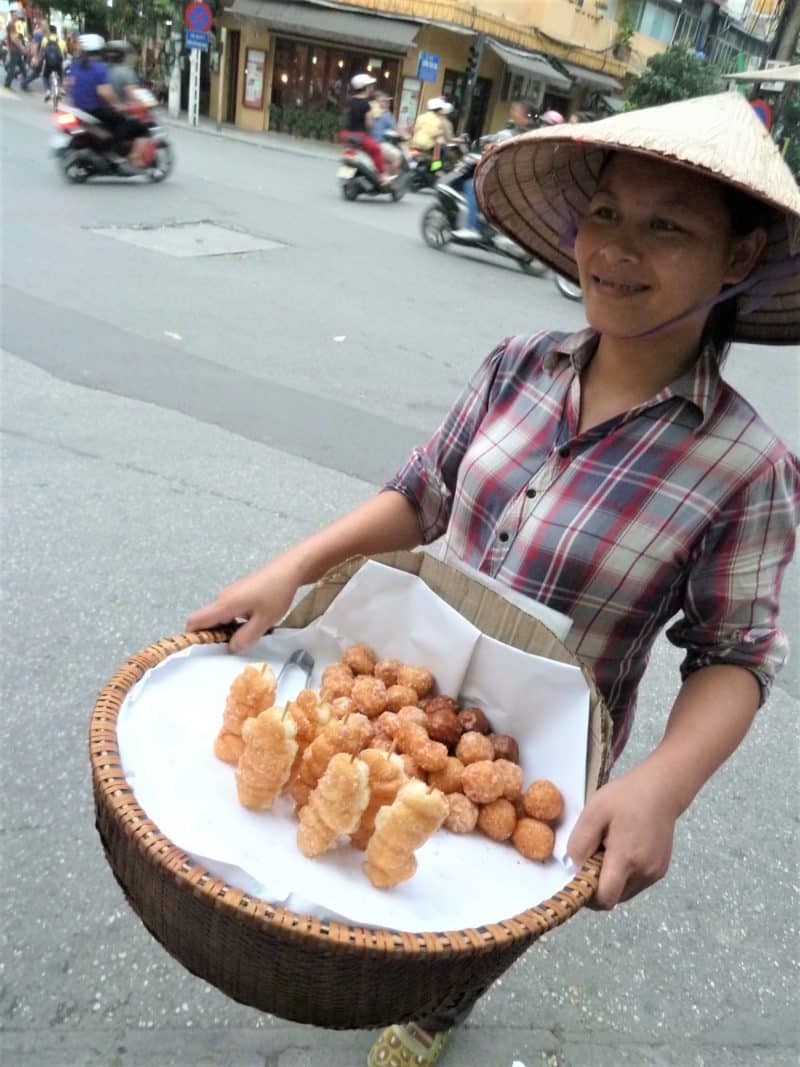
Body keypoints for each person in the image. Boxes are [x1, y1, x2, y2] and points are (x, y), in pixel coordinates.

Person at [186, 93, 800, 1066]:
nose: (614, 249)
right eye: (604, 212)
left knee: (464, 927)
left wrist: (660, 789)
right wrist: (289, 569)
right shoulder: (517, 363)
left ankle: (439, 1007)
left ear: (736, 259)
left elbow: (733, 655)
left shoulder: (743, 466)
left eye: (663, 226)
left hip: (544, 760)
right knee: (341, 858)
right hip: (396, 699)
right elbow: (422, 492)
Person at [453, 101, 562, 241]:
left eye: (515, 110)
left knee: (471, 185)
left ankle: (470, 227)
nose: (512, 112)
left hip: (511, 178)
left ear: (525, 116)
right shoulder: (536, 135)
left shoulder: (522, 135)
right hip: (518, 177)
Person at [70, 34, 149, 168]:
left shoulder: (75, 66)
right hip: (94, 109)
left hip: (78, 109)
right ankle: (115, 153)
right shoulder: (100, 68)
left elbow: (69, 85)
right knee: (132, 126)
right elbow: (104, 92)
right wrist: (118, 105)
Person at [339, 72, 388, 182]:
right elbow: (369, 124)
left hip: (346, 135)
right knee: (376, 150)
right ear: (365, 88)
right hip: (360, 136)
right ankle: (382, 176)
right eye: (370, 86)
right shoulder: (366, 105)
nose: (371, 88)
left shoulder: (349, 100)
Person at [369, 90, 403, 175]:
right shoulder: (386, 114)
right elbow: (396, 129)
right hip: (378, 144)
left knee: (386, 161)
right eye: (383, 101)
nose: (386, 103)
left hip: (366, 142)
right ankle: (390, 182)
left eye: (387, 101)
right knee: (398, 157)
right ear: (376, 101)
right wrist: (406, 136)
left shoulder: (368, 110)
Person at [37, 24, 65, 101]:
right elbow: (65, 53)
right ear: (56, 32)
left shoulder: (45, 39)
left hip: (48, 64)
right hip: (58, 64)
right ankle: (61, 88)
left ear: (49, 31)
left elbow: (41, 52)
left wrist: (39, 60)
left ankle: (48, 91)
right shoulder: (62, 41)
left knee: (45, 76)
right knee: (61, 74)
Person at [3, 7, 29, 91]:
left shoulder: (13, 24)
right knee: (12, 67)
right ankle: (7, 84)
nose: (17, 16)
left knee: (22, 67)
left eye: (17, 15)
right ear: (12, 16)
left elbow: (9, 37)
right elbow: (13, 39)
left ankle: (25, 83)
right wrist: (22, 48)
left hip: (15, 49)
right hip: (15, 50)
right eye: (15, 15)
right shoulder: (12, 25)